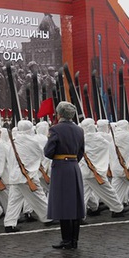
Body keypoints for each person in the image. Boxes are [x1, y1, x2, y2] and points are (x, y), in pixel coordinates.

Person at [44, 101, 85, 250]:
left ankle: (66, 239)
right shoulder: (79, 130)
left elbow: (48, 152)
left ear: (59, 114)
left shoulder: (55, 129)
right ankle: (74, 240)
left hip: (61, 168)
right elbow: (81, 151)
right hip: (74, 166)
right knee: (74, 204)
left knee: (63, 204)